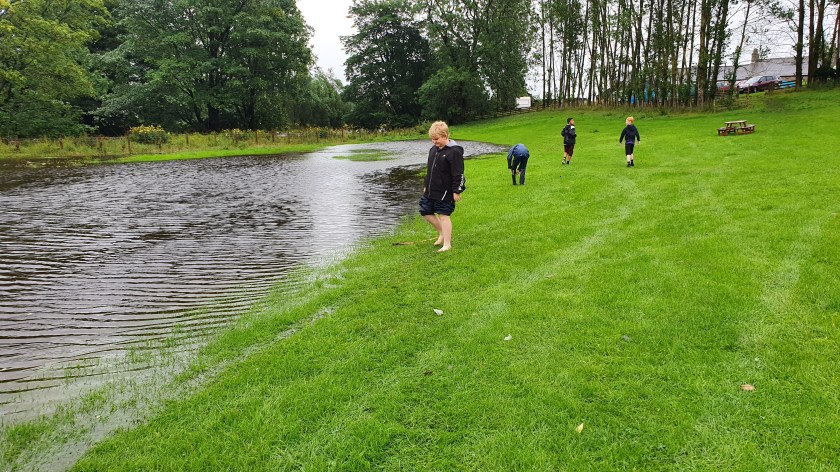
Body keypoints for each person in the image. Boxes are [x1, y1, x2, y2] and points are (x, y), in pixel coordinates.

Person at [420, 121, 465, 252]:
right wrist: (426, 185)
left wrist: (457, 191)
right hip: (431, 189)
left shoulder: (454, 152)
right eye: (432, 139)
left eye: (436, 139)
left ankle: (447, 244)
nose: (434, 142)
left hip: (446, 191)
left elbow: (458, 173)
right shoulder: (433, 150)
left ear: (445, 136)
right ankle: (442, 232)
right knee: (425, 211)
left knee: (444, 215)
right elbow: (430, 170)